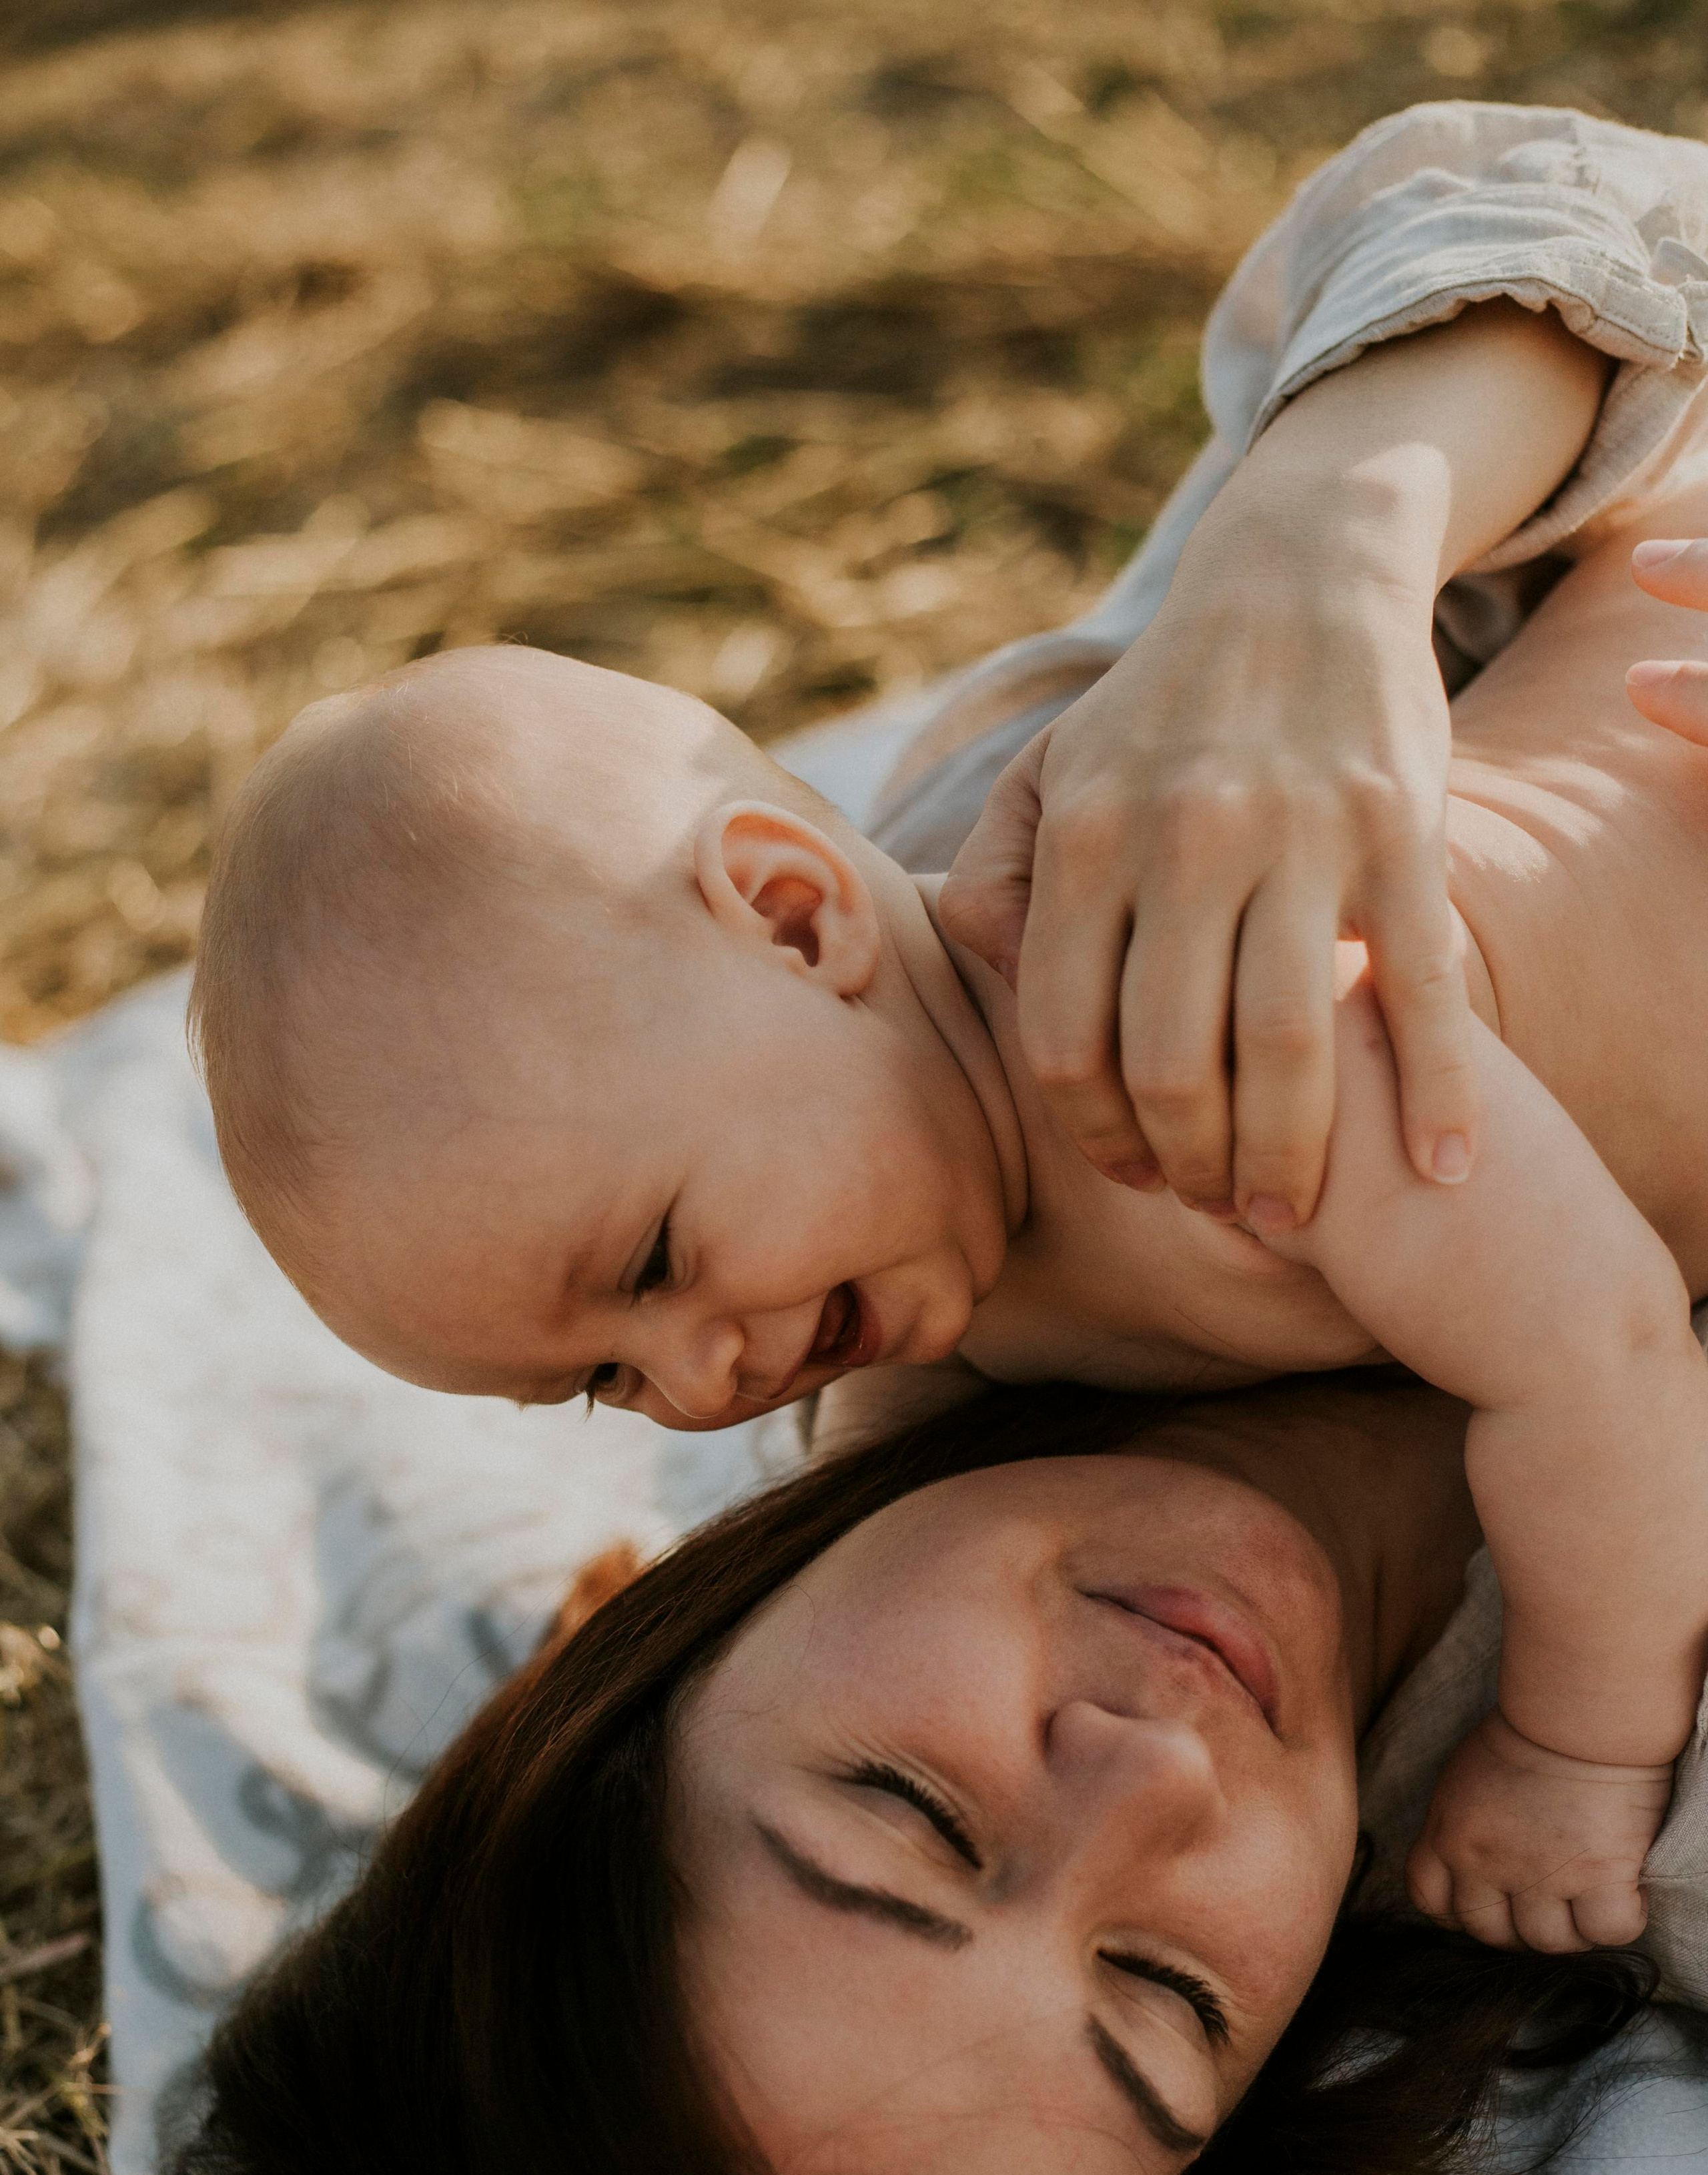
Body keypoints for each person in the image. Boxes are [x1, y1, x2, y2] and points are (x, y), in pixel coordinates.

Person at [185, 222, 1708, 1955]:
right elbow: (890, 1516)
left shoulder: (1191, 1037)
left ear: (794, 913)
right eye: (604, 1382)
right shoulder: (941, 1296)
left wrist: (1574, 1746)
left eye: (658, 1262)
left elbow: (1600, 1357)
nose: (703, 1376)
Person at [161, 1368, 1652, 2175]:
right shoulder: (1638, 1801)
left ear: (620, 1689)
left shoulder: (947, 1112)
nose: (1148, 1770)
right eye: (1163, 1997)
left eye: (910, 1814)